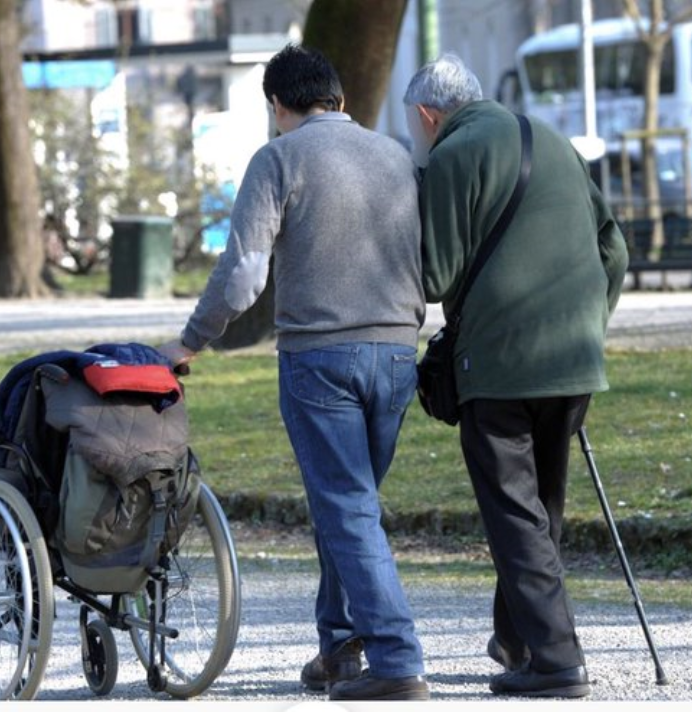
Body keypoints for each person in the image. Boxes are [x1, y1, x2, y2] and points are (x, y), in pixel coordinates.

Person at [158, 44, 430, 701]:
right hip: (397, 353)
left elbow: (247, 274)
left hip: (320, 357)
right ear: (337, 96)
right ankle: (338, 648)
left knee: (346, 511)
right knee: (351, 508)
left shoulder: (278, 158)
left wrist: (190, 341)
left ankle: (397, 659)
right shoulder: (396, 153)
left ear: (277, 105)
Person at [403, 54, 628, 698]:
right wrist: (588, 321)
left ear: (428, 114)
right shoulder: (551, 139)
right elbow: (614, 249)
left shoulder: (451, 156)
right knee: (540, 509)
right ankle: (518, 639)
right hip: (575, 360)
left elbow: (436, 276)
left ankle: (556, 659)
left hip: (499, 365)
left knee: (514, 512)